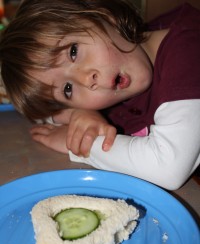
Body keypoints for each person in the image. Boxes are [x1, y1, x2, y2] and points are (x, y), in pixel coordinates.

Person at [0, 0, 200, 190]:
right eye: (68, 89)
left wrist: (83, 145)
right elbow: (41, 112)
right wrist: (77, 114)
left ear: (104, 15)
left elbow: (168, 168)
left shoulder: (189, 50)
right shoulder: (121, 65)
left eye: (73, 52)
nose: (86, 79)